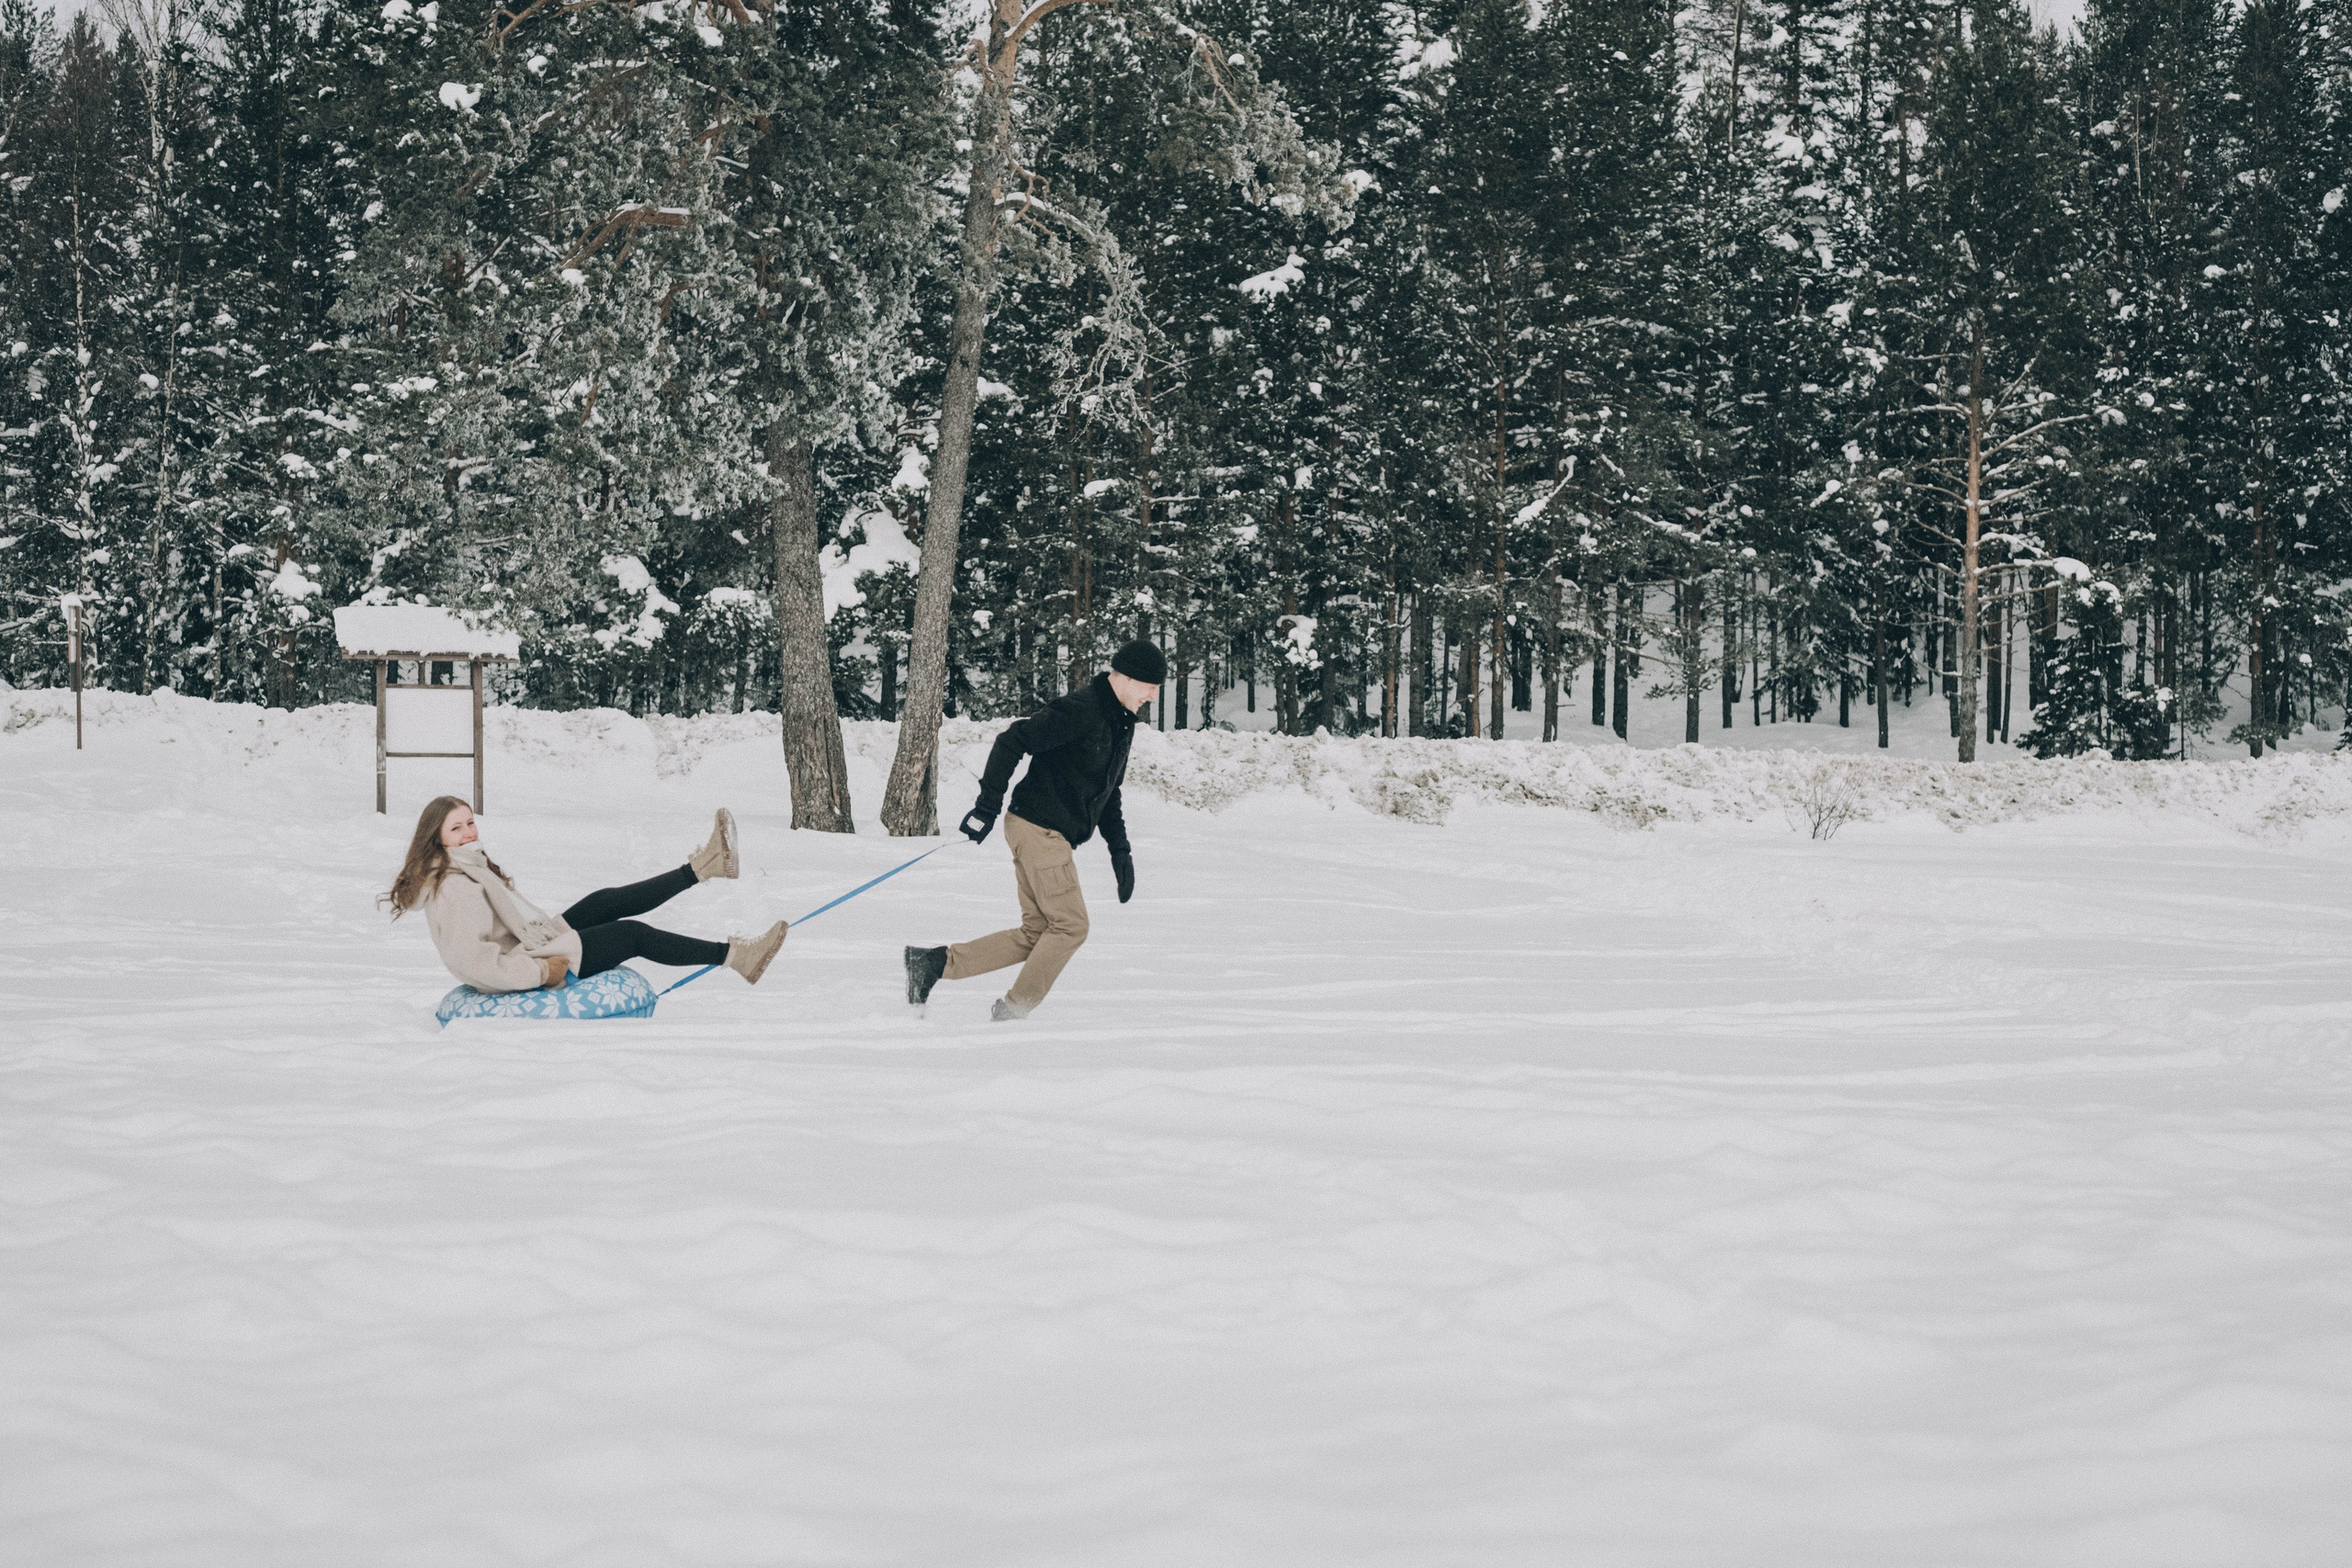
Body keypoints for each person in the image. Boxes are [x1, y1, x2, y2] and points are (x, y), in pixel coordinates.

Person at [903, 639, 1162, 1020]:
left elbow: (1110, 791)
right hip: (1040, 829)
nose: (1153, 696)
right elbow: (1013, 741)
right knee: (1071, 926)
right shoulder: (1083, 709)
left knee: (1038, 933)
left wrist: (1120, 851)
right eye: (1150, 686)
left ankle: (932, 965)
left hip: (1043, 831)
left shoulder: (1120, 721)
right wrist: (988, 803)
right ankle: (1013, 1012)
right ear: (1124, 677)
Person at [384, 795, 787, 992]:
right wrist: (543, 971)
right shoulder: (453, 885)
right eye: (456, 828)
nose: (469, 833)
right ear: (435, 837)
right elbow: (470, 962)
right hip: (528, 961)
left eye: (470, 822)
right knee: (632, 935)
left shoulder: (465, 863)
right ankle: (737, 958)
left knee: (603, 902)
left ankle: (705, 868)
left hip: (528, 942)